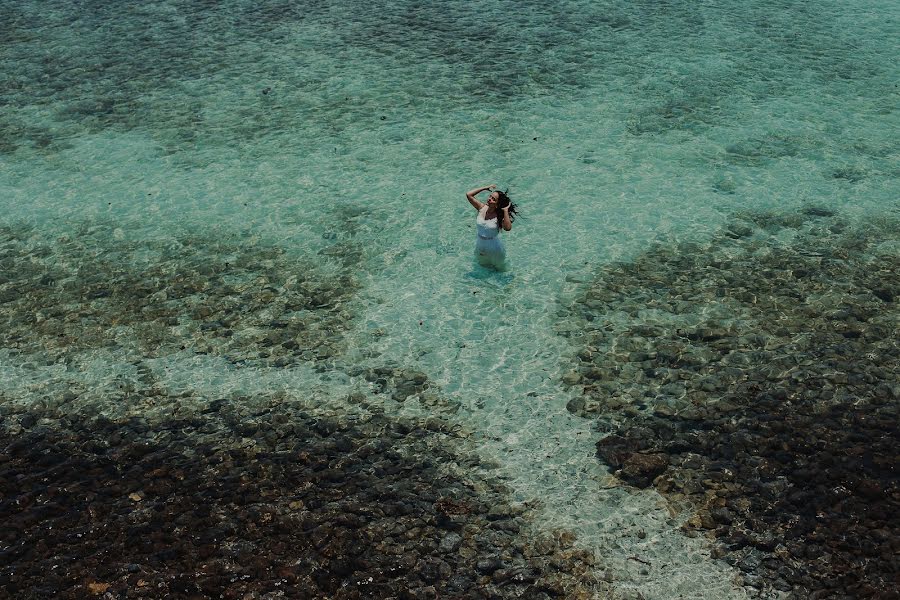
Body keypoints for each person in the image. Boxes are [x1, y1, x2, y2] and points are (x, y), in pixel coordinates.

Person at [465, 184, 518, 270]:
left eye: (493, 199)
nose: (489, 199)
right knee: (482, 269)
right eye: (490, 196)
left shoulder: (499, 216)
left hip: (494, 248)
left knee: (500, 270)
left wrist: (505, 211)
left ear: (497, 204)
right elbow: (469, 194)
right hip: (480, 244)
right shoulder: (481, 208)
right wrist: (485, 188)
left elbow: (508, 228)